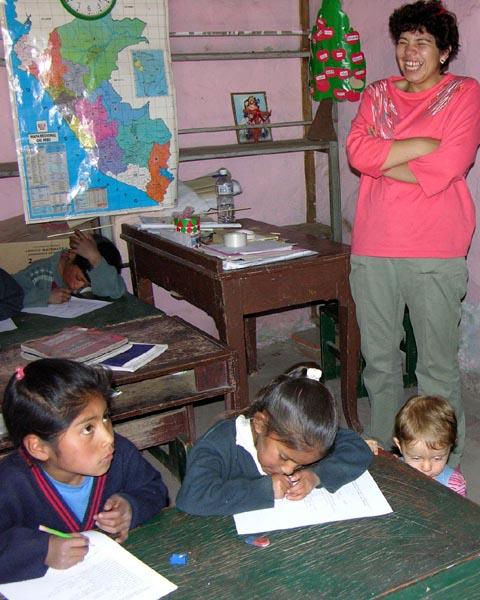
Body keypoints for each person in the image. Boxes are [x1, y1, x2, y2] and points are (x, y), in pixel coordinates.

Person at [346, 0, 480, 466]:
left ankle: (444, 466)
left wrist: (383, 158)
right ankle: (386, 456)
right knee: (380, 363)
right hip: (373, 246)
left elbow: (450, 164)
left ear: (444, 52)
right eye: (403, 42)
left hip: (435, 248)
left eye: (422, 42)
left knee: (435, 368)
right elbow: (357, 152)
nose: (409, 52)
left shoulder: (463, 92)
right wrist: (421, 145)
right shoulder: (377, 93)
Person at [0, 358, 169, 583]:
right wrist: (42, 551)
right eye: (88, 428)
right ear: (39, 447)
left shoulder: (120, 454)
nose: (108, 437)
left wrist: (132, 507)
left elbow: (155, 489)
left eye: (105, 417)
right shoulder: (11, 483)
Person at [176, 364, 372, 516]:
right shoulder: (218, 445)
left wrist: (316, 475)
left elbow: (357, 448)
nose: (289, 470)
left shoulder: (306, 439)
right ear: (260, 424)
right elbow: (192, 497)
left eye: (300, 464)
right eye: (284, 457)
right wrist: (263, 490)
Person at [13, 228, 126, 307]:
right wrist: (46, 297)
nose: (79, 286)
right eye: (79, 278)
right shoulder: (40, 272)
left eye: (87, 285)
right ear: (72, 255)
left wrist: (95, 258)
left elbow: (117, 291)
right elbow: (9, 297)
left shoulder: (97, 276)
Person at [393, 395, 467, 496]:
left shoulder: (454, 486)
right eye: (416, 458)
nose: (426, 468)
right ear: (399, 445)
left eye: (437, 458)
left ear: (451, 445)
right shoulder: (393, 468)